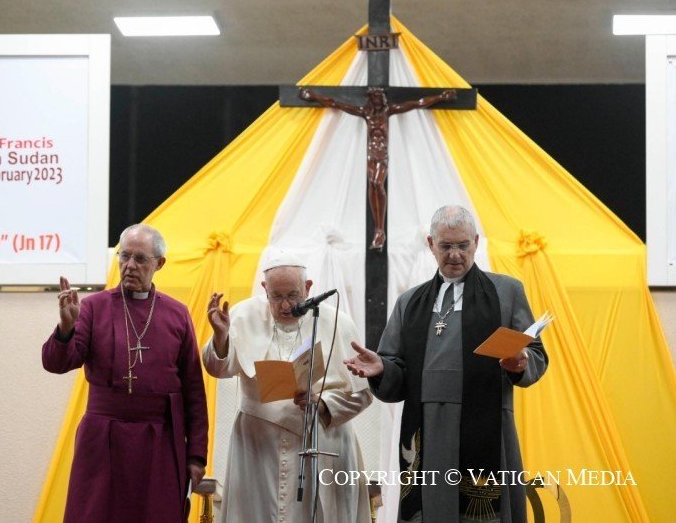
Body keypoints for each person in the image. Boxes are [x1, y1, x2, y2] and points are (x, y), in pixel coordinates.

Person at [345, 205, 548, 522]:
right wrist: (382, 368)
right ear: (431, 244)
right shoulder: (410, 302)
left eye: (463, 245)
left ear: (476, 242)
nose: (455, 255)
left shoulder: (506, 292)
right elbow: (395, 363)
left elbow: (536, 352)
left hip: (486, 422)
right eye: (446, 246)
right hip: (427, 426)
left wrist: (521, 362)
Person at [42, 224, 208, 522]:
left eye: (140, 259)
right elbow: (57, 363)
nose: (129, 265)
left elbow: (193, 389)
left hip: (159, 441)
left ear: (159, 264)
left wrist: (196, 456)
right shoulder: (93, 307)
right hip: (103, 439)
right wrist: (66, 328)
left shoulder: (177, 314)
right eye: (124, 256)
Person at [203, 255, 373, 523]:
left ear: (308, 287)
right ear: (264, 288)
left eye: (293, 295)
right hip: (258, 447)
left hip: (321, 439)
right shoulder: (243, 315)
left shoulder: (337, 322)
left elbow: (363, 392)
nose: (285, 305)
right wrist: (221, 337)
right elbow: (218, 368)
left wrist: (323, 403)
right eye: (276, 296)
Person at [299, 86, 455, 250]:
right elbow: (335, 103)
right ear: (371, 100)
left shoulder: (388, 111)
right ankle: (378, 230)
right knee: (372, 184)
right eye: (375, 98)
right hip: (371, 155)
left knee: (377, 184)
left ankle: (380, 230)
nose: (378, 101)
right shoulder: (366, 113)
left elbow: (418, 103)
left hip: (381, 155)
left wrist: (441, 97)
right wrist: (313, 95)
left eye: (380, 98)